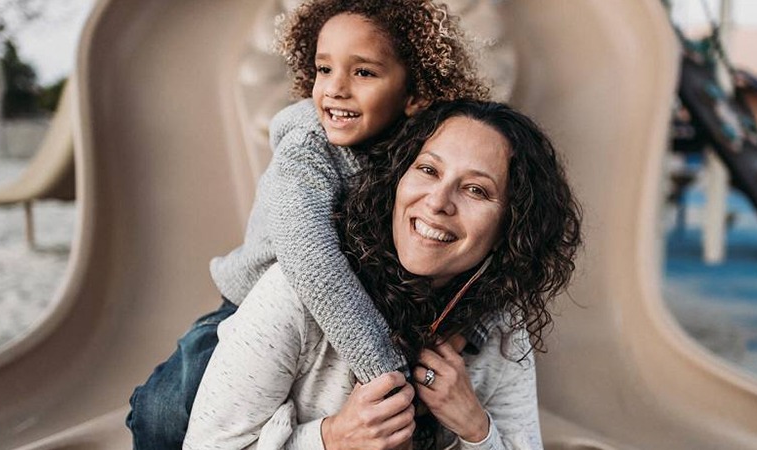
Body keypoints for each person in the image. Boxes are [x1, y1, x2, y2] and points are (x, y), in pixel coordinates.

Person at [126, 1, 490, 448]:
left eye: (364, 73)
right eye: (323, 69)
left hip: (362, 310)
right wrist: (389, 375)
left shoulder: (425, 154)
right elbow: (314, 265)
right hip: (253, 306)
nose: (335, 88)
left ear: (414, 94)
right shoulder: (305, 151)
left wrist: (471, 329)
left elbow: (485, 240)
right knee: (162, 409)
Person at [183, 99, 583, 450]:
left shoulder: (502, 329)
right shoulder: (295, 294)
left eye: (476, 190)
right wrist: (331, 439)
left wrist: (476, 429)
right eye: (428, 170)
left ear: (509, 229)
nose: (438, 202)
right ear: (398, 180)